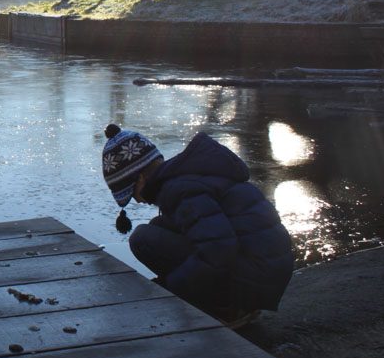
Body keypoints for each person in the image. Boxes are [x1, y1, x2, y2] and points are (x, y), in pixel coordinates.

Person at [101, 123, 293, 327]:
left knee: (142, 238)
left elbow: (218, 248)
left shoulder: (180, 190)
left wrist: (173, 288)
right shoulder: (191, 176)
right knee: (159, 225)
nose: (138, 201)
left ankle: (227, 309)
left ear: (140, 178)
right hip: (265, 271)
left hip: (255, 280)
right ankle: (230, 303)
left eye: (132, 193)